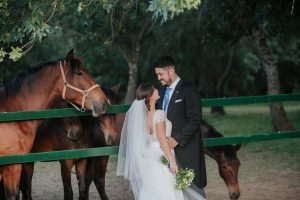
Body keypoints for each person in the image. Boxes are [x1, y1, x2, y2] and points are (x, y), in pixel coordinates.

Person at [117, 83, 205, 200]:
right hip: (162, 155)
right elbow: (162, 141)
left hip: (150, 156)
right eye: (155, 90)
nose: (158, 90)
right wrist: (173, 162)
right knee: (167, 189)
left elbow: (148, 138)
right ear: (151, 96)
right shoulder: (159, 114)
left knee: (152, 188)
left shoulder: (143, 117)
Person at [153, 56, 207, 198]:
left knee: (192, 189)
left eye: (161, 74)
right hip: (165, 151)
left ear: (171, 71)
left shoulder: (189, 90)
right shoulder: (162, 91)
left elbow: (195, 120)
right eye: (157, 74)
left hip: (186, 148)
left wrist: (176, 140)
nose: (159, 78)